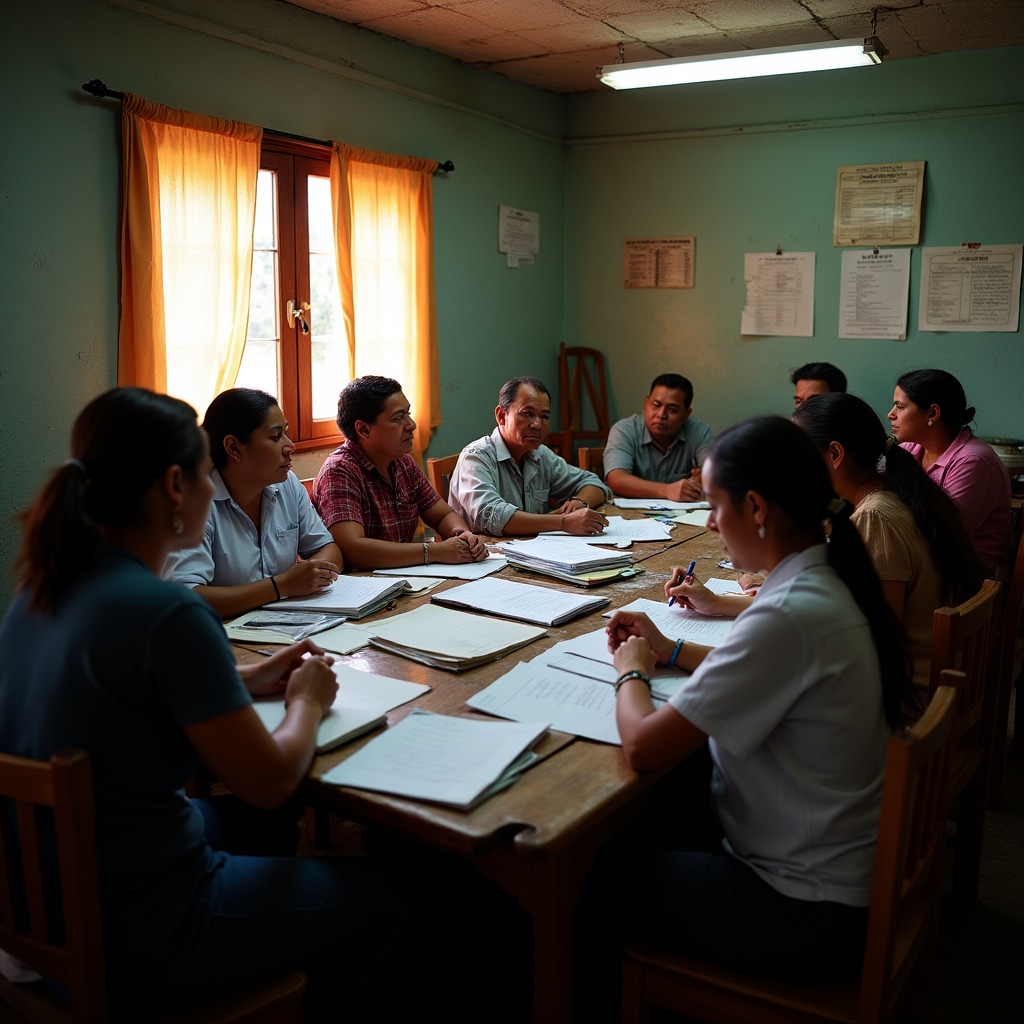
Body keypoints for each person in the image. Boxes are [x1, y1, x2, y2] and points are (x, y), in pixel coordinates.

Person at [0, 388, 402, 1020]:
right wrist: (306, 699)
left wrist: (247, 677)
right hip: (141, 929)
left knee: (267, 829)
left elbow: (128, 692)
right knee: (388, 891)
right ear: (175, 486)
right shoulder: (168, 612)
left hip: (43, 905)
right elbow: (269, 780)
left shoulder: (41, 589)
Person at [581, 416, 910, 995]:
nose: (709, 522)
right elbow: (769, 676)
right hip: (832, 871)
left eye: (713, 505)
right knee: (653, 820)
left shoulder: (785, 614)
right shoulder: (824, 579)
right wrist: (669, 647)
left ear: (756, 508)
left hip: (801, 909)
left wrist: (631, 670)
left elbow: (643, 745)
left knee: (582, 875)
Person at [794, 392, 983, 695]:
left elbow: (876, 641)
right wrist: (725, 604)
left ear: (835, 454)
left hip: (905, 700)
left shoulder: (875, 519)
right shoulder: (898, 494)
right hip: (925, 683)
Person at [166, 388, 343, 618]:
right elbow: (186, 598)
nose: (290, 446)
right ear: (233, 448)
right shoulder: (195, 500)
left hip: (286, 625)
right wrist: (281, 586)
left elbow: (329, 549)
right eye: (276, 437)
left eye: (286, 434)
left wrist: (311, 573)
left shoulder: (286, 483)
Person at [313, 375, 487, 570]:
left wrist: (464, 536)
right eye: (398, 418)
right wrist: (433, 552)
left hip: (405, 577)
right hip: (363, 586)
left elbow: (442, 515)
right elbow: (353, 550)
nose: (411, 425)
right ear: (363, 429)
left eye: (408, 413)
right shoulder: (339, 471)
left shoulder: (403, 463)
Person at [447, 376, 612, 536]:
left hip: (530, 551)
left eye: (544, 417)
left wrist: (580, 502)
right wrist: (563, 522)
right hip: (483, 556)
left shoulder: (540, 454)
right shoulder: (476, 457)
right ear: (501, 416)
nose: (537, 425)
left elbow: (593, 483)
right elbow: (493, 516)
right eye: (527, 414)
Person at [889, 368, 1011, 573]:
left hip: (966, 581)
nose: (891, 414)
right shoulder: (911, 449)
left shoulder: (973, 462)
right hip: (922, 563)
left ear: (933, 413)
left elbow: (941, 537)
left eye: (899, 406)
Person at [603, 373, 712, 501]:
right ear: (646, 403)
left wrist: (704, 482)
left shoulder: (699, 432)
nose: (661, 415)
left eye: (672, 409)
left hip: (681, 517)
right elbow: (616, 479)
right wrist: (667, 490)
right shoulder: (624, 430)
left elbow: (718, 475)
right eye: (656, 405)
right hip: (631, 516)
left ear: (686, 414)